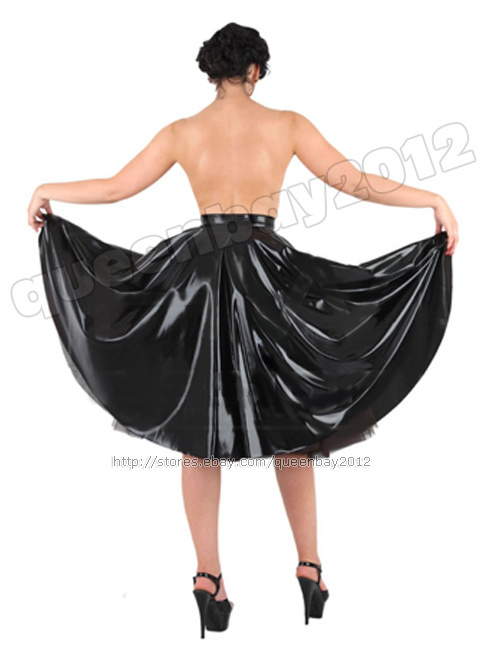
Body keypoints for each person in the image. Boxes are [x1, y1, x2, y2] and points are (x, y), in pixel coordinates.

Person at [28, 22, 457, 637]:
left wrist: (48, 189)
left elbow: (117, 188)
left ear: (212, 72)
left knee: (198, 435)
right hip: (266, 275)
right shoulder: (286, 124)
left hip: (197, 280)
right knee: (294, 426)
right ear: (255, 71)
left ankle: (208, 577)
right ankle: (310, 568)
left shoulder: (182, 132)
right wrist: (431, 199)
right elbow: (351, 180)